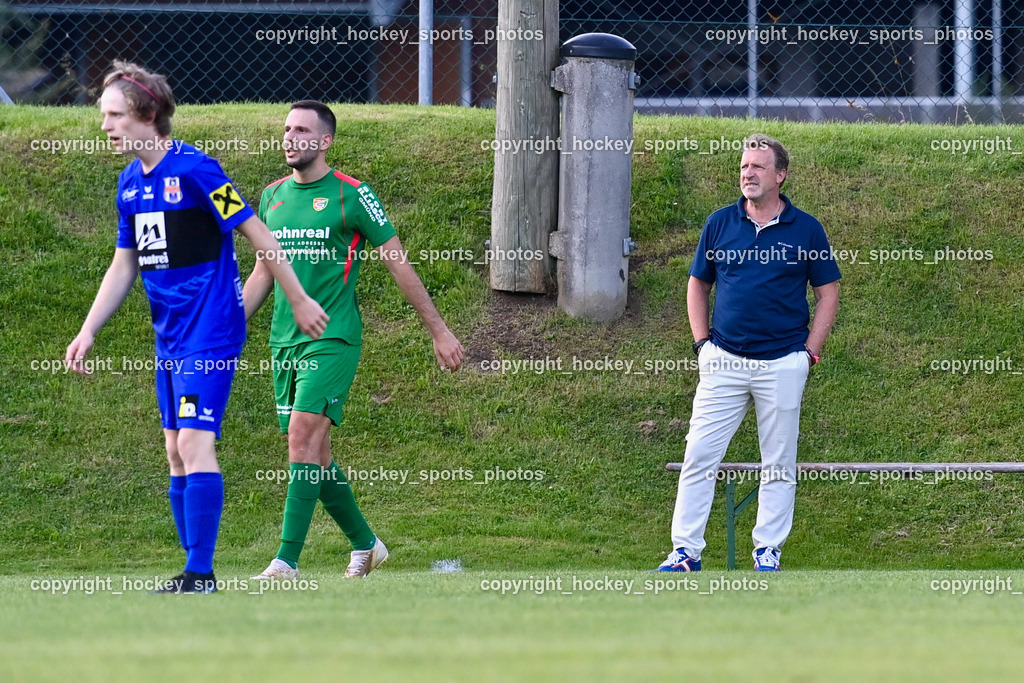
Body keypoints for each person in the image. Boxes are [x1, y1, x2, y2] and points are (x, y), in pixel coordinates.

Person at [64, 61, 329, 594]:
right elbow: (124, 264)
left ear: (147, 115)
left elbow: (258, 233)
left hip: (210, 331)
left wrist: (299, 298)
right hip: (170, 336)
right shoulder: (129, 184)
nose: (105, 125)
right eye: (104, 116)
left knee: (192, 443)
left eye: (114, 115)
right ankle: (192, 570)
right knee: (174, 449)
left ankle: (200, 574)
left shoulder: (197, 170)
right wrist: (89, 329)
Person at [244, 100, 464, 580]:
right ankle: (367, 545)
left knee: (301, 438)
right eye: (287, 129)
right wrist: (226, 329)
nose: (290, 137)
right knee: (315, 455)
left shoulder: (353, 195)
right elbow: (263, 271)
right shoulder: (272, 196)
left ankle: (286, 562)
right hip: (284, 342)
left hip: (333, 337)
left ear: (325, 141)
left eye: (302, 130)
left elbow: (398, 264)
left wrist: (439, 330)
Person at [654, 133, 840, 572]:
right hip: (724, 360)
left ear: (780, 175)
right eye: (743, 167)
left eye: (757, 166)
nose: (748, 174)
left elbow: (827, 294)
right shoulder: (720, 223)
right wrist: (702, 345)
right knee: (700, 455)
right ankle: (685, 552)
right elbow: (698, 284)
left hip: (783, 362)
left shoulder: (807, 229)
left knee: (779, 462)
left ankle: (767, 551)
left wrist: (809, 355)